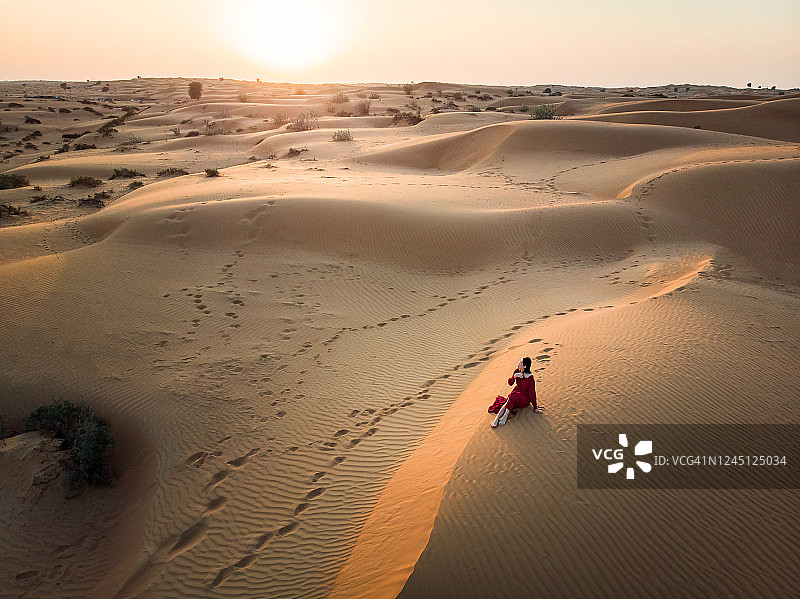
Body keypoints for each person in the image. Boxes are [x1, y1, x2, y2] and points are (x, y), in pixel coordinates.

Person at [491, 357, 541, 428]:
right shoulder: (517, 371)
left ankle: (505, 416)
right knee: (508, 400)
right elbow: (510, 383)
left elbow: (532, 393)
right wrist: (514, 376)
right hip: (516, 393)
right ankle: (496, 419)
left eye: (520, 362)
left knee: (513, 395)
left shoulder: (530, 378)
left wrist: (535, 407)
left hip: (524, 399)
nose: (518, 363)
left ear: (525, 366)